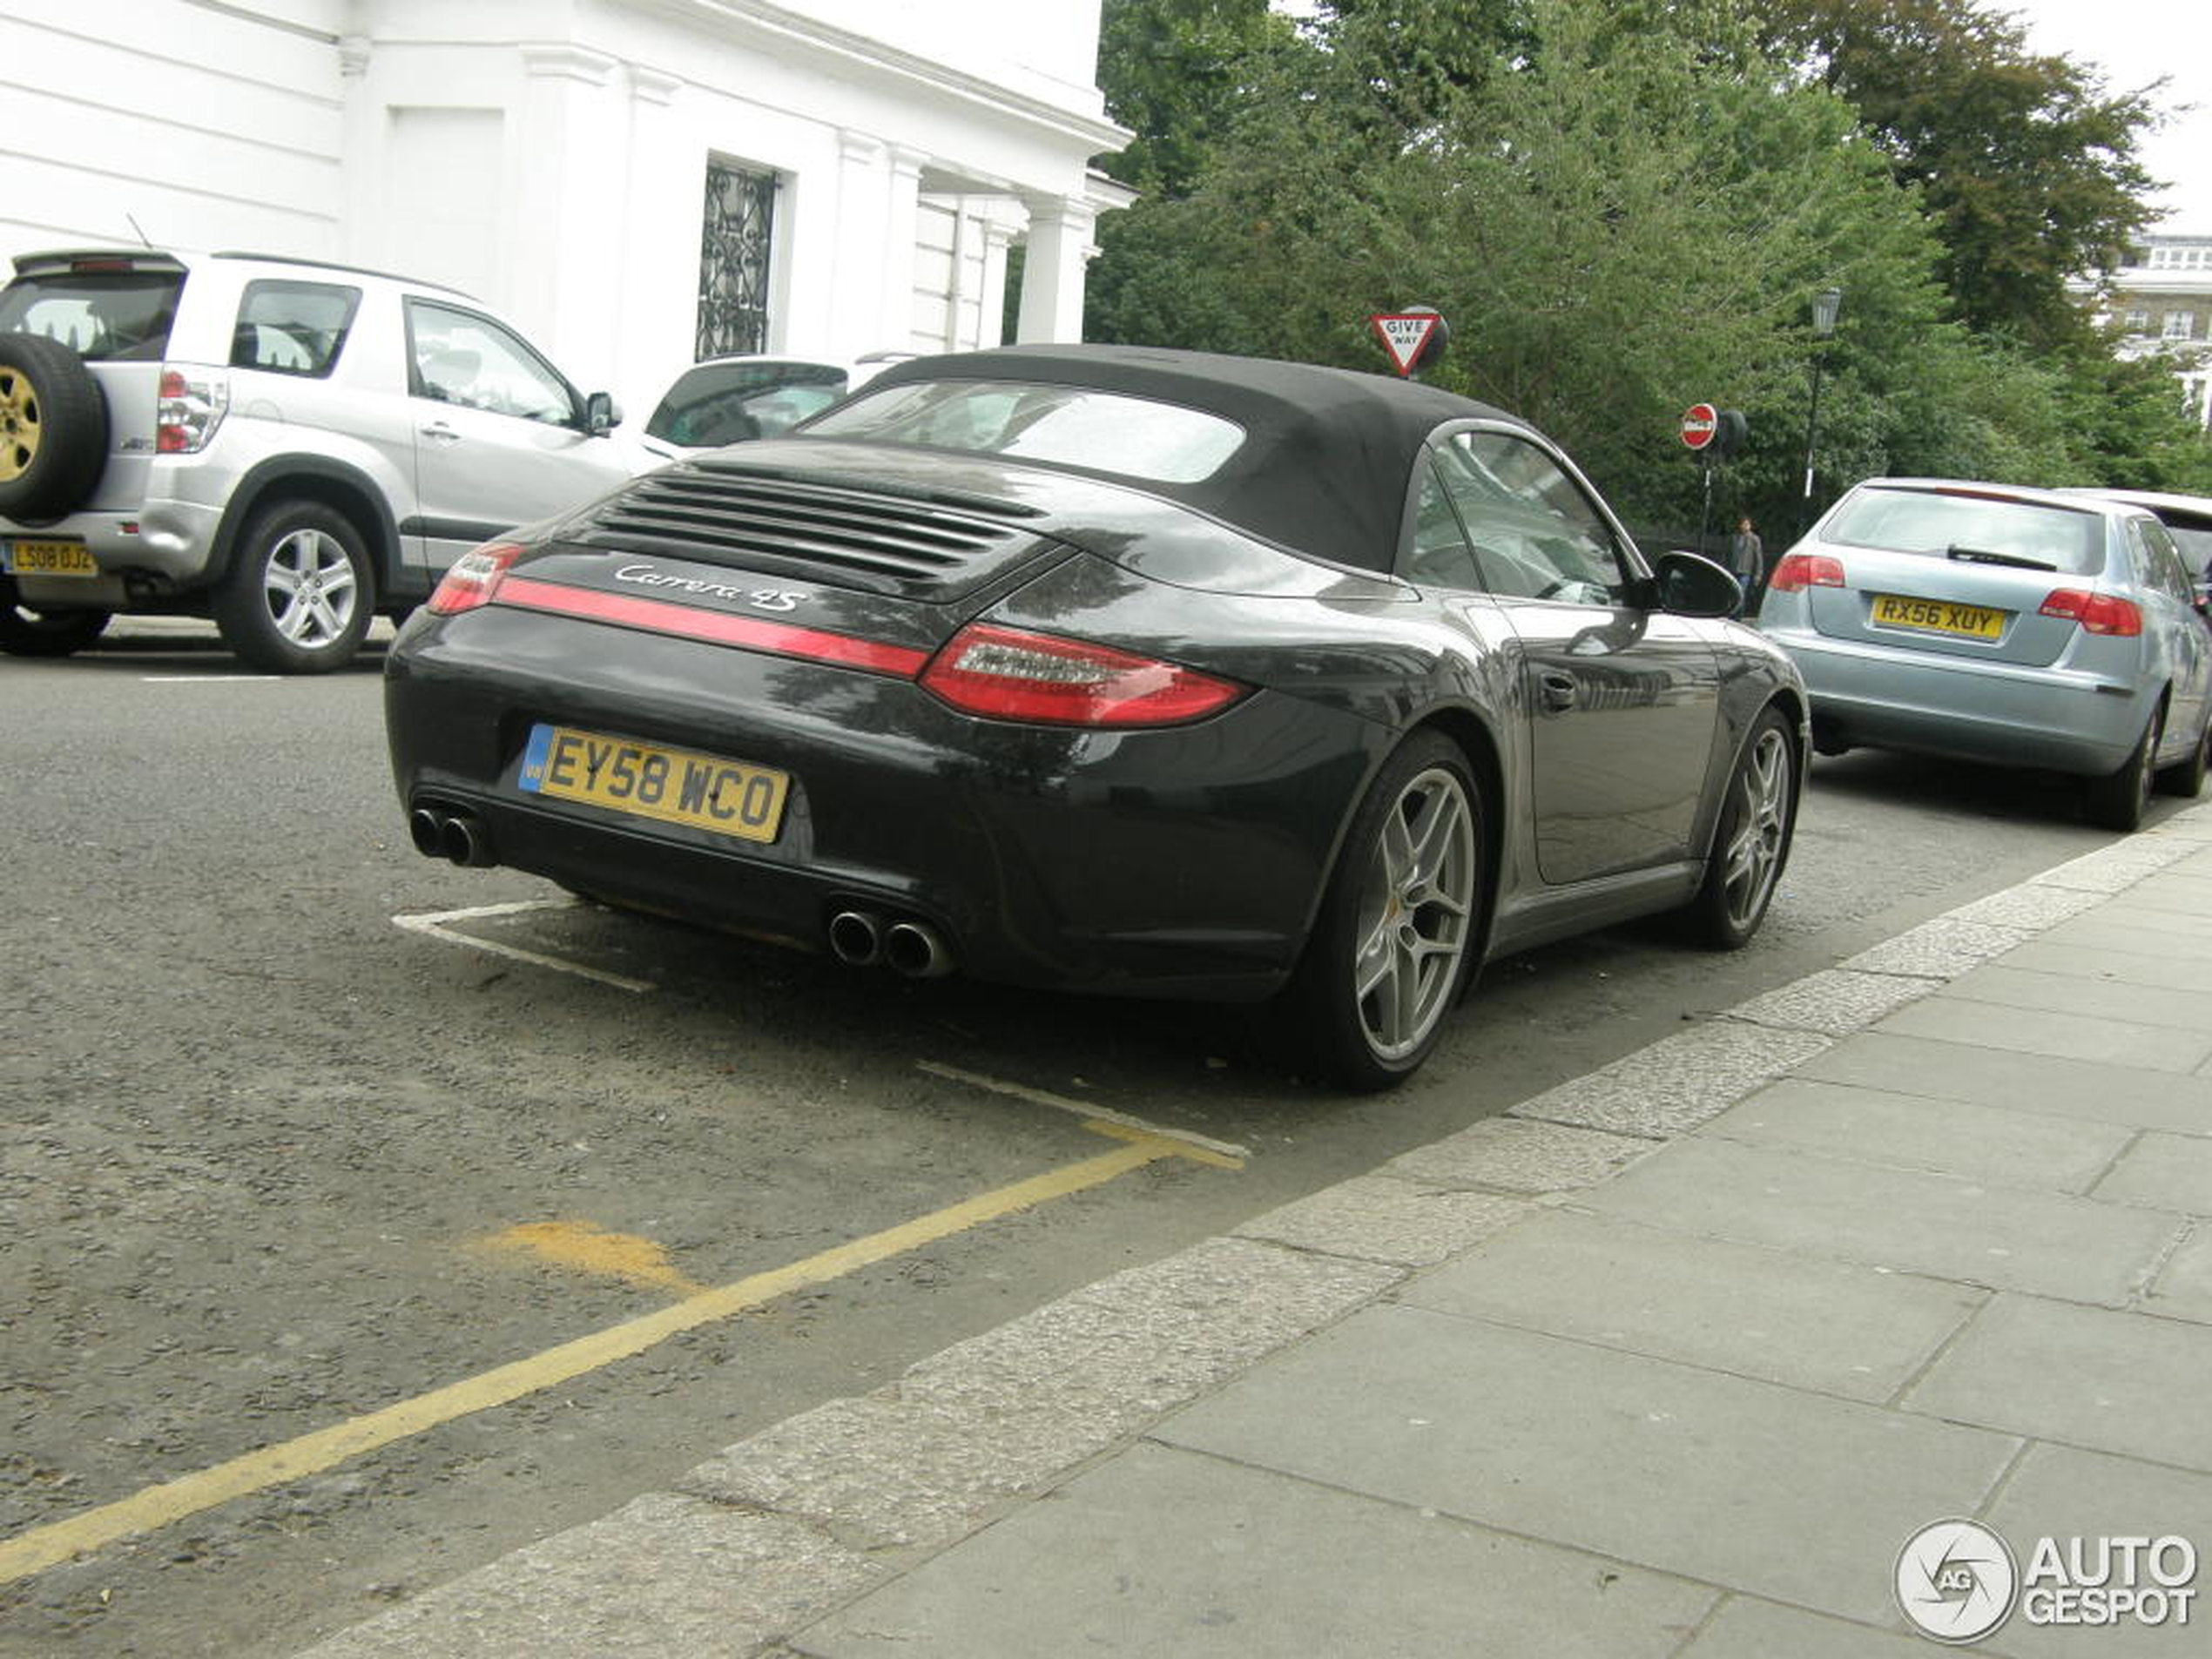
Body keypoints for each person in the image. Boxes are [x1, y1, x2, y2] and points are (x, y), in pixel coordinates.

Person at [1727, 515, 1764, 613]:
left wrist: (1758, 575)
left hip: (1745, 572)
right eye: (1743, 524)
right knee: (1732, 595)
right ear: (1740, 525)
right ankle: (1731, 615)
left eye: (1747, 524)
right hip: (1733, 570)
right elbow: (1728, 554)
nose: (1745, 526)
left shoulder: (1755, 539)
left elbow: (1759, 558)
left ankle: (1738, 617)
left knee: (1741, 595)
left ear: (1750, 526)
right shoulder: (1734, 537)